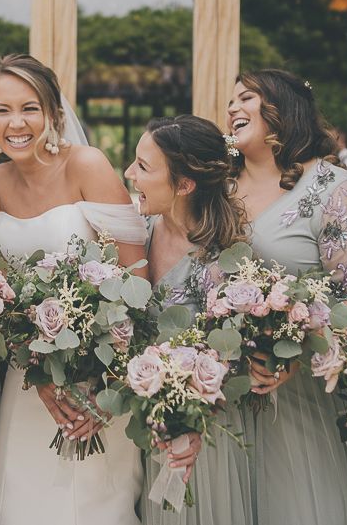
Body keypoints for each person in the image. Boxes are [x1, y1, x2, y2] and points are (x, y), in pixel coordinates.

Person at [0, 54, 147, 525]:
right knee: (17, 499)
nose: (16, 123)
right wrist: (39, 372)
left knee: (89, 502)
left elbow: (137, 281)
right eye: (1, 110)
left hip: (97, 372)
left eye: (29, 107)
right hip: (29, 380)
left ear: (52, 113)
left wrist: (107, 388)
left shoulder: (87, 165)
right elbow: (2, 290)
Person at [226, 68, 347, 525]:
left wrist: (294, 348)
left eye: (247, 97)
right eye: (231, 102)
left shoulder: (333, 191)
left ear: (283, 107)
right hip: (225, 397)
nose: (233, 108)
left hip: (305, 399)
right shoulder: (219, 189)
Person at [124, 115, 253, 525]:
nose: (129, 174)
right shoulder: (136, 230)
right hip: (142, 423)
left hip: (200, 429)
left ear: (184, 184)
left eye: (143, 167)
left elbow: (232, 354)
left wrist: (190, 418)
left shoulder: (223, 259)